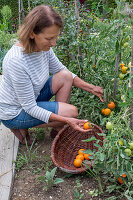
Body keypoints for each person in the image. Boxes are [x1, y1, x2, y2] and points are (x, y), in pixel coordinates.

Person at [0, 5, 104, 145]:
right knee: (71, 112)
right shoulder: (16, 61)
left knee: (65, 76)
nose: (54, 43)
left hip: (31, 97)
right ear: (32, 34)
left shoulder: (43, 48)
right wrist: (66, 120)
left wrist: (91, 88)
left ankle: (57, 129)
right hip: (15, 111)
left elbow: (62, 70)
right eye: (49, 38)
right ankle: (20, 125)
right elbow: (30, 107)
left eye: (56, 37)